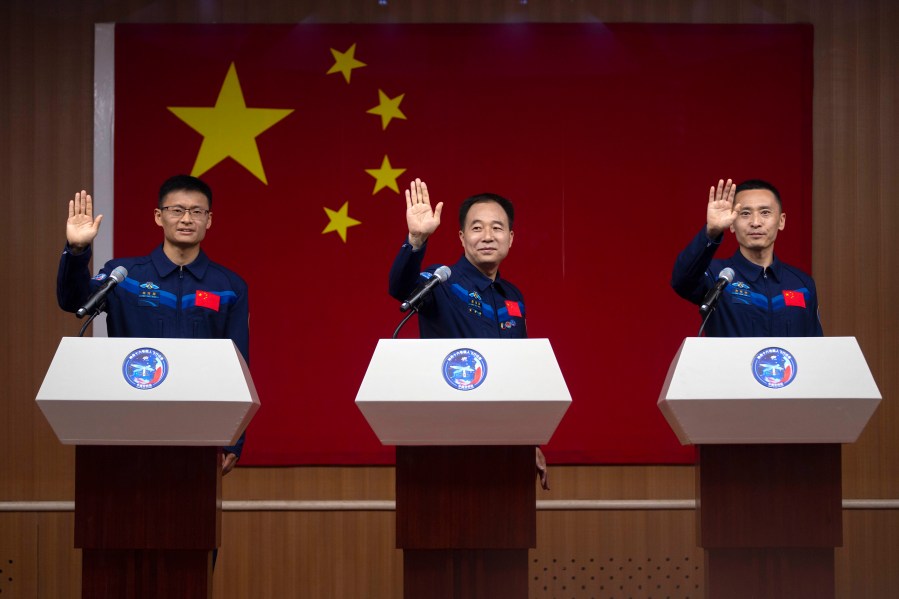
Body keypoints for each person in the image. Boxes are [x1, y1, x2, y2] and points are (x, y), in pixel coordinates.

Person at [57, 174, 249, 471]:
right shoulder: (124, 274)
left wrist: (233, 438)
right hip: (126, 422)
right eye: (177, 210)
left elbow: (240, 364)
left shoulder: (229, 287)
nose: (187, 219)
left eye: (197, 211)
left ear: (209, 220)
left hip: (200, 427)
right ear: (159, 217)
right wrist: (77, 251)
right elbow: (73, 302)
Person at [388, 178, 548, 488]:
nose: (488, 236)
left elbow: (520, 376)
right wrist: (416, 239)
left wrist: (530, 441)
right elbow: (400, 288)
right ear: (462, 238)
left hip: (503, 447)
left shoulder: (514, 297)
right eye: (477, 228)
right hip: (442, 439)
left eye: (497, 228)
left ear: (511, 238)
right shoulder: (441, 281)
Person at [671, 178, 823, 336]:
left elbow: (815, 348)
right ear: (731, 223)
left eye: (765, 212)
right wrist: (711, 231)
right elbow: (681, 280)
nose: (756, 222)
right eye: (745, 214)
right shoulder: (717, 276)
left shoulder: (802, 284)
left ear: (781, 221)